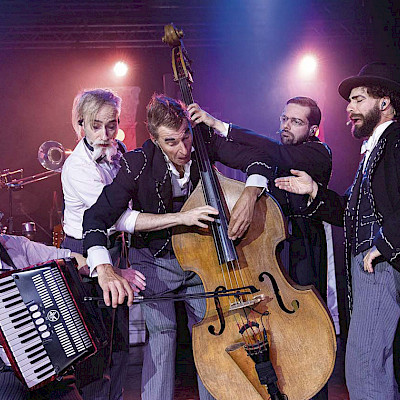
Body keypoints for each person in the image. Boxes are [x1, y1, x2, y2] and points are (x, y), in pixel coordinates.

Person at [82, 94, 271, 400]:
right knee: (163, 334)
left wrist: (250, 194)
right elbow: (96, 217)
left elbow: (259, 159)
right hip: (154, 260)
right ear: (155, 139)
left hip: (202, 258)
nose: (183, 149)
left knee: (213, 334)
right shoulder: (138, 162)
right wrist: (103, 267)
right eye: (171, 142)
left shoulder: (203, 141)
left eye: (185, 136)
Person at [274, 62, 400, 399]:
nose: (349, 108)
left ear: (384, 102)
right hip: (371, 267)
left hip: (381, 264)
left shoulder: (395, 140)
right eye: (349, 101)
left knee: (364, 367)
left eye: (358, 100)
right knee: (372, 366)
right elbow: (348, 212)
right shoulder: (374, 149)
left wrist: (386, 244)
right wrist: (314, 191)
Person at [188, 97, 332, 302]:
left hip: (305, 241)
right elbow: (248, 154)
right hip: (273, 239)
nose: (286, 126)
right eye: (284, 119)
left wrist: (219, 125)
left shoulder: (320, 152)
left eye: (296, 122)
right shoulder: (274, 151)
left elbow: (278, 153)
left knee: (307, 303)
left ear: (312, 130)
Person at [61, 88, 146, 400]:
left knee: (120, 342)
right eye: (96, 126)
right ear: (81, 124)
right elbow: (114, 216)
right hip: (83, 251)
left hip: (113, 247)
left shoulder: (118, 149)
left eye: (112, 125)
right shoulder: (77, 167)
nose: (106, 134)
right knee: (95, 347)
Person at [0, 233, 86, 400]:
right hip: (5, 372)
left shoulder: (16, 246)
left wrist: (104, 270)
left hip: (44, 364)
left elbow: (68, 258)